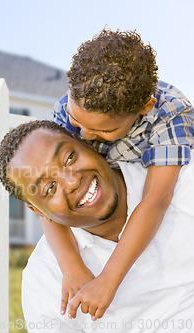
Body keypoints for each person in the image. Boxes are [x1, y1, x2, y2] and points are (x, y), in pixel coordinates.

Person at [47, 29, 194, 320]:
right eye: (77, 122)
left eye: (104, 131)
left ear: (144, 108)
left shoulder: (171, 114)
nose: (84, 135)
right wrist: (71, 264)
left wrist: (108, 280)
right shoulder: (67, 109)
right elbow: (44, 192)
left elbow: (156, 199)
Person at [0, 120, 194, 332]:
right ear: (39, 212)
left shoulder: (182, 181)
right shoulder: (45, 278)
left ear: (88, 144)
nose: (71, 182)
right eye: (50, 188)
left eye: (69, 158)